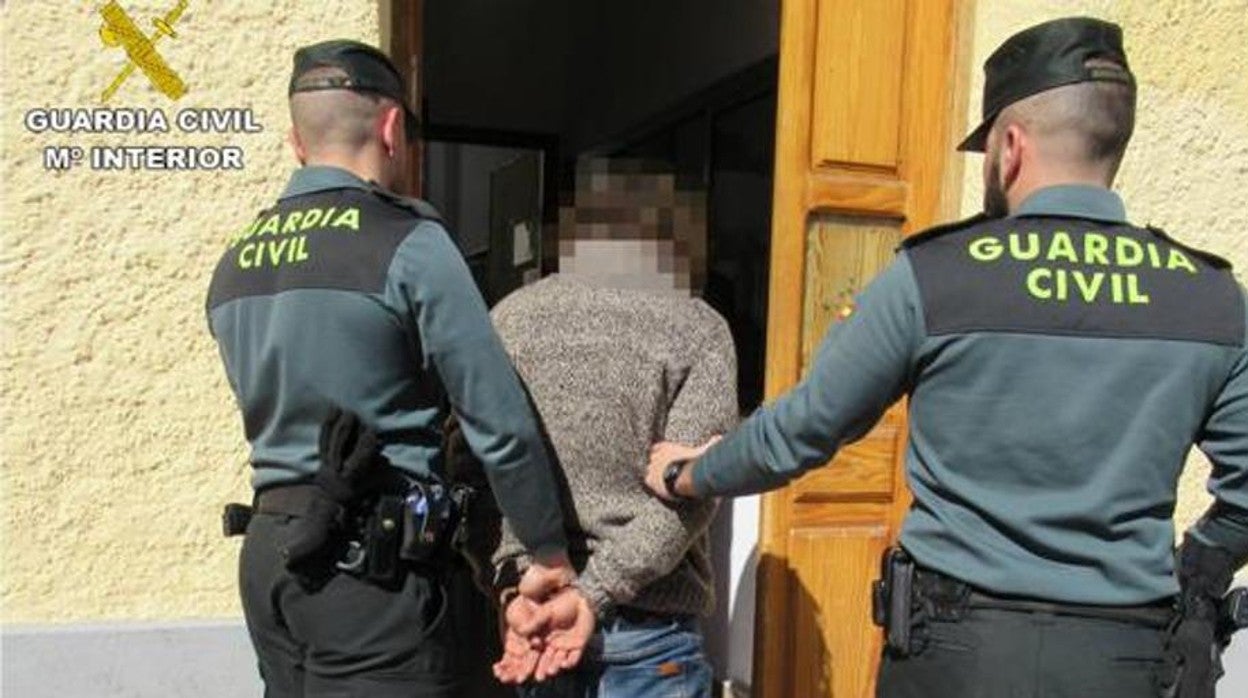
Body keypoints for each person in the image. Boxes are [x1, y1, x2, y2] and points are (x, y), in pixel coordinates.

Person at [645, 17, 1248, 698]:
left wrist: (690, 473)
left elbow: (804, 429)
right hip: (1126, 660)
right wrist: (1199, 568)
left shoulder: (938, 278)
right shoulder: (1211, 299)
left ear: (1010, 146)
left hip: (957, 655)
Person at [205, 39, 591, 697]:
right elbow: (498, 424)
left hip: (271, 557)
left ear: (297, 143)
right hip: (373, 572)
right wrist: (549, 554)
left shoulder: (235, 262)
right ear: (391, 128)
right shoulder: (408, 243)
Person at [483, 159, 737, 696]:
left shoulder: (508, 318)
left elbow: (478, 464)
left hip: (535, 619)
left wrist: (513, 586)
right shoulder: (698, 327)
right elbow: (694, 490)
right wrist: (594, 591)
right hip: (650, 633)